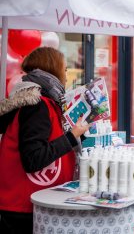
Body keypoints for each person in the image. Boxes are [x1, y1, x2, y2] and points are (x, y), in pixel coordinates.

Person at [0, 47, 90, 234]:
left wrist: (77, 132)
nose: (66, 75)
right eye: (64, 69)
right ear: (53, 68)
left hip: (32, 203)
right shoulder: (37, 105)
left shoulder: (49, 100)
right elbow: (33, 159)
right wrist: (71, 136)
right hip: (24, 207)